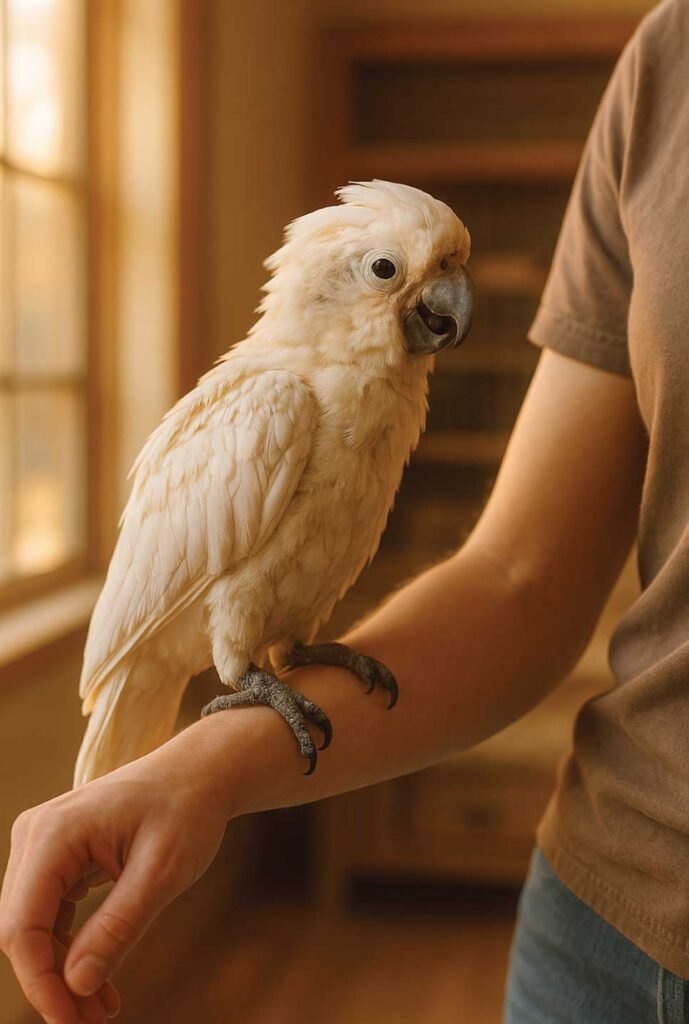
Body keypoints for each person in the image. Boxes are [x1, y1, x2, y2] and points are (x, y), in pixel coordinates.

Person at [2, 0, 687, 1020]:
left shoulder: (384, 402)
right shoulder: (273, 400)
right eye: (390, 275)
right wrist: (211, 754)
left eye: (442, 273)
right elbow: (517, 573)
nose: (437, 298)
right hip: (606, 901)